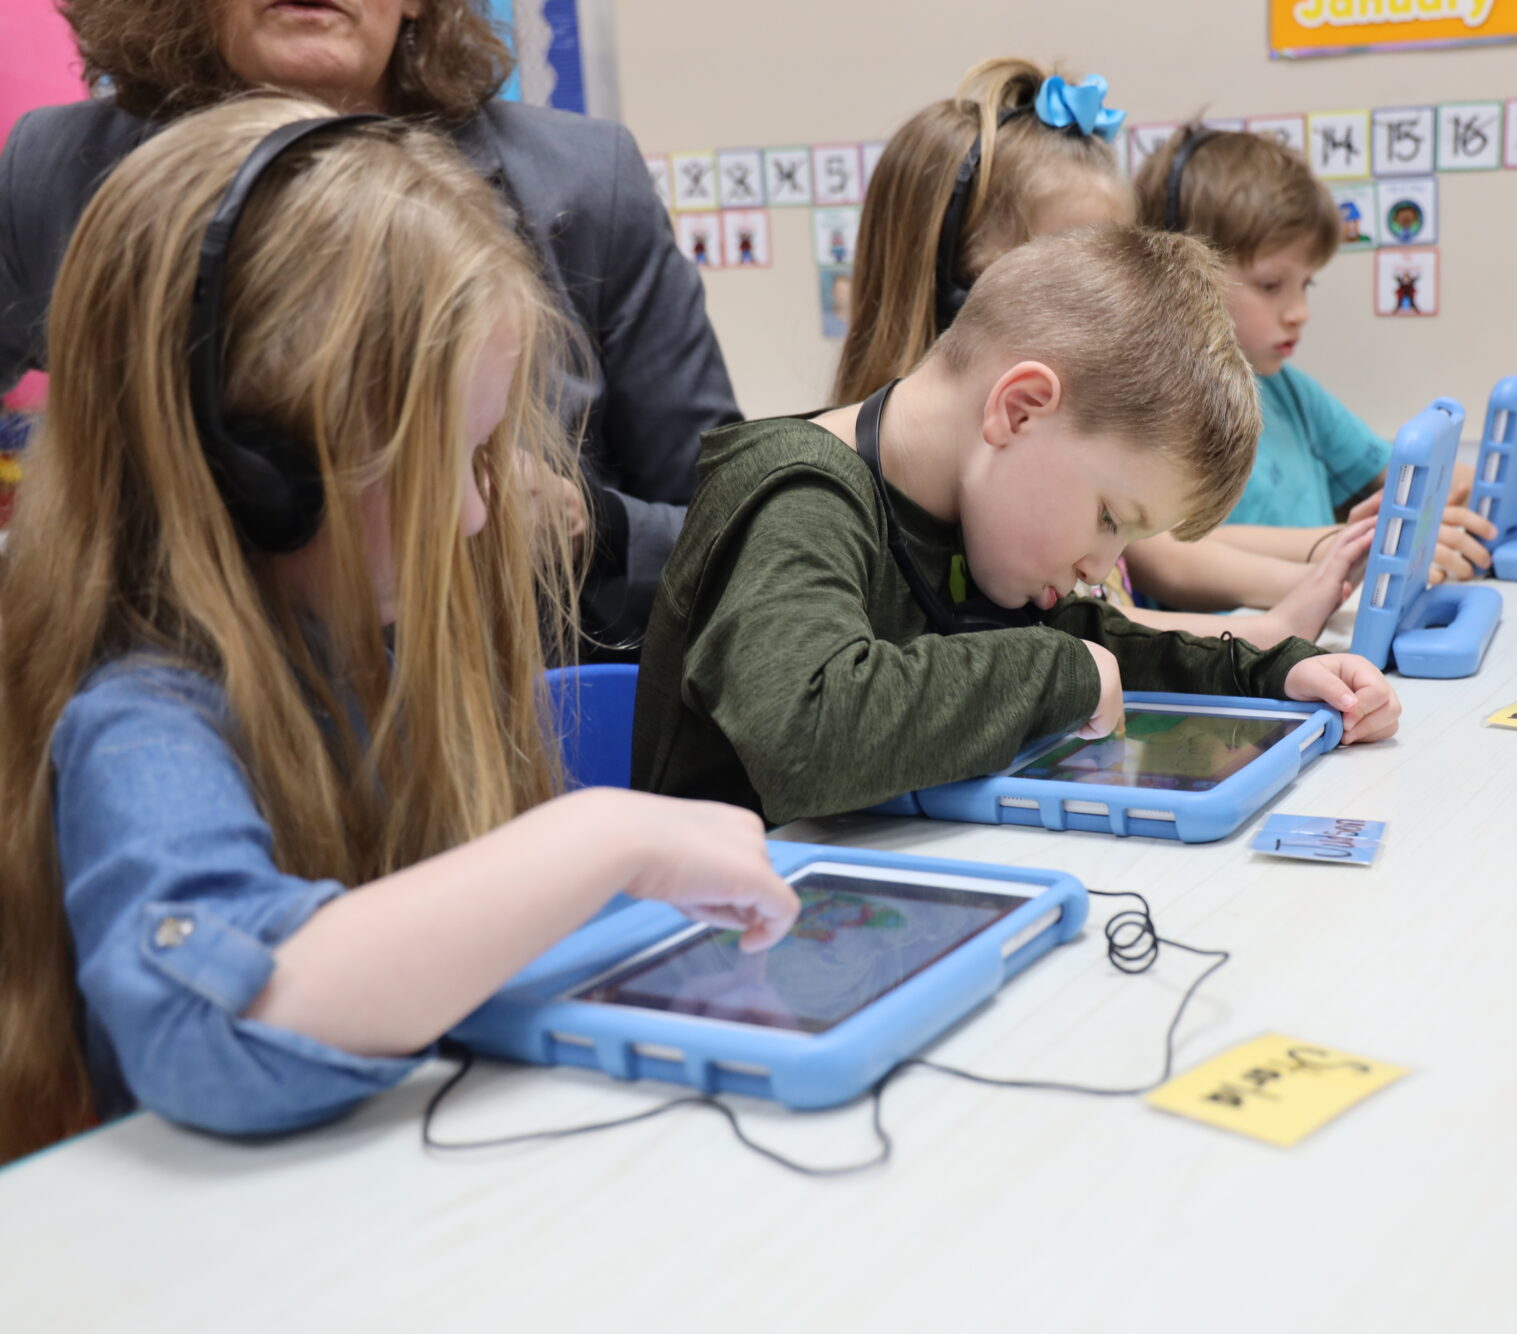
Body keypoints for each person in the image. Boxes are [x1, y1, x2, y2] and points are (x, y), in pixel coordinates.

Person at [0, 99, 798, 1165]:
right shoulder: (145, 716)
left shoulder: (381, 659)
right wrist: (606, 836)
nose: (478, 516)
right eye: (448, 465)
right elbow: (215, 1026)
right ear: (258, 467)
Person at [0, 0, 737, 653]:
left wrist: (589, 526)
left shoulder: (584, 182)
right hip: (174, 691)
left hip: (505, 720)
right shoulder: (56, 171)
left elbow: (738, 537)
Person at [633, 224, 1401, 822]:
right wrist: (1058, 670)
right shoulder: (795, 495)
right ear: (1021, 408)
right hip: (715, 956)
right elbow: (807, 732)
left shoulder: (966, 520)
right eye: (1108, 517)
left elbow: (1103, 644)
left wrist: (1269, 673)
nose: (1102, 566)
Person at [834, 58, 1372, 648]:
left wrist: (1284, 618)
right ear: (966, 291)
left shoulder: (1047, 473)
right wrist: (1266, 630)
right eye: (1075, 263)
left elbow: (1099, 621)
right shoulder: (926, 501)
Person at [1133, 126, 1517, 582]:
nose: (1299, 312)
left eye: (1306, 284)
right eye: (1271, 285)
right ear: (1179, 272)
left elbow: (1413, 477)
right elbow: (1168, 558)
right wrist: (1348, 548)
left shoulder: (1286, 389)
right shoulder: (1154, 403)